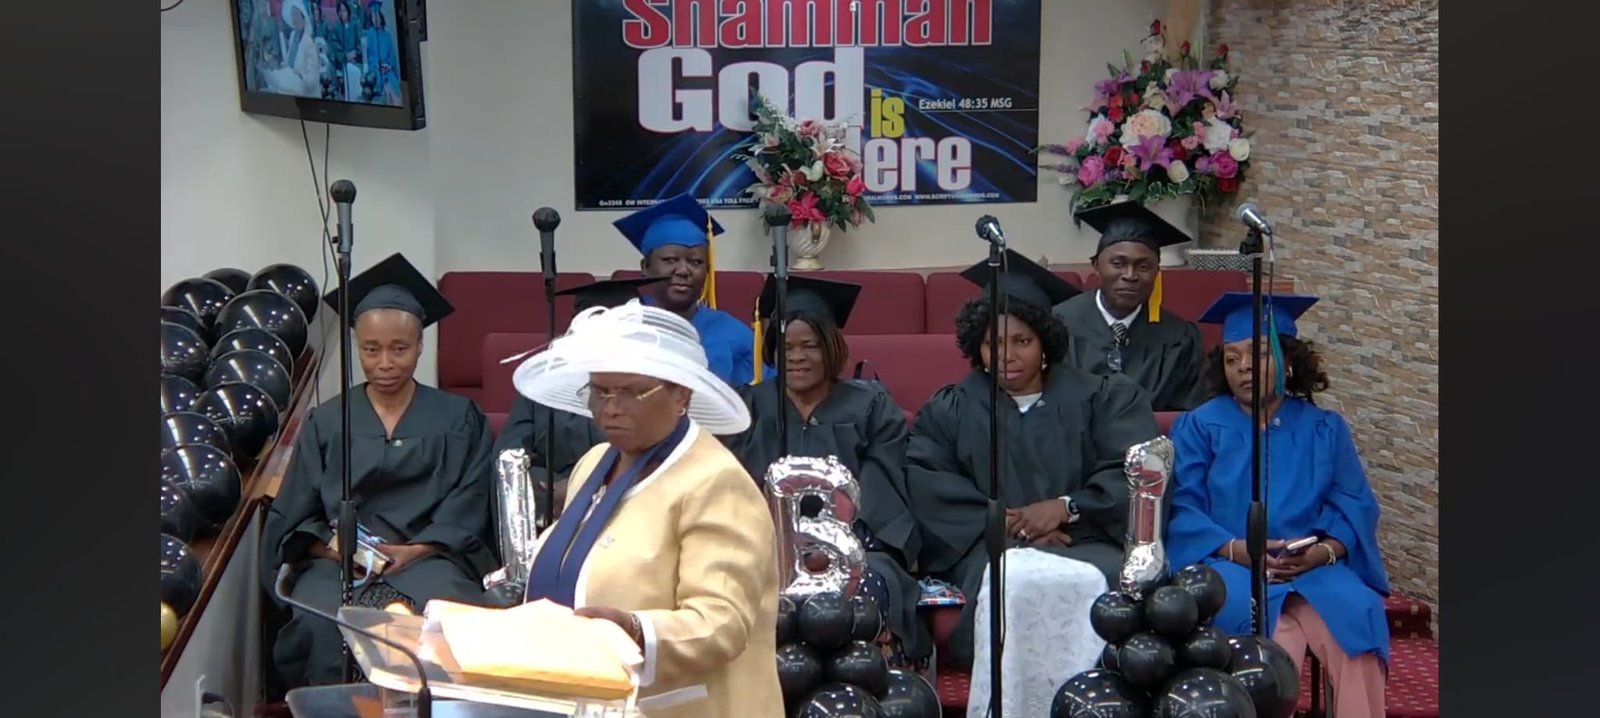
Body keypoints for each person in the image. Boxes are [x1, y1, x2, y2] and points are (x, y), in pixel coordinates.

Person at [511, 301, 781, 717]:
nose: (610, 408)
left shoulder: (717, 483)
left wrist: (636, 630)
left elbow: (722, 623)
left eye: (631, 392)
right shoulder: (594, 463)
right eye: (600, 391)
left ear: (681, 394)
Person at [905, 249, 1162, 668]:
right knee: (1009, 578)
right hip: (991, 545)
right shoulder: (952, 408)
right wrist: (1012, 526)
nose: (1006, 355)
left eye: (1021, 341)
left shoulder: (1102, 398)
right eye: (993, 343)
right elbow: (929, 481)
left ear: (1045, 343)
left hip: (1085, 539)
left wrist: (1065, 508)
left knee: (1115, 584)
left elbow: (1132, 471)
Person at [262, 253, 497, 689]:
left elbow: (472, 499)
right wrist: (335, 550)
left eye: (399, 349)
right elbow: (297, 512)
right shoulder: (328, 421)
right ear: (357, 346)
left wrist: (419, 549)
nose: (385, 362)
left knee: (447, 619)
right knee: (319, 623)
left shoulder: (458, 418)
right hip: (337, 563)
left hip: (430, 557)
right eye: (371, 350)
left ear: (420, 346)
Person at [1166, 292, 1391, 718]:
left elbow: (1354, 503)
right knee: (1272, 632)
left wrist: (1323, 552)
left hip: (1310, 565)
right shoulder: (1200, 426)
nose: (1243, 367)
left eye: (1258, 354)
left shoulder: (1325, 428)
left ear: (1288, 363)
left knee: (1357, 616)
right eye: (1232, 358)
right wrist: (1238, 550)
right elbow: (1182, 507)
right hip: (1227, 563)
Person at [723, 275, 931, 666]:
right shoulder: (750, 407)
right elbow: (735, 486)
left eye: (810, 346)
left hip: (858, 551)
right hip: (767, 549)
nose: (797, 357)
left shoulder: (870, 406)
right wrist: (786, 549)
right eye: (786, 347)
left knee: (865, 593)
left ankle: (866, 681)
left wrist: (834, 550)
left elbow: (883, 488)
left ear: (831, 348)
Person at [494, 276, 667, 519]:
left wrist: (581, 487)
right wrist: (553, 491)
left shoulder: (654, 388)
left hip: (632, 516)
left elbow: (662, 462)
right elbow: (509, 457)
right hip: (551, 513)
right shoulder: (541, 387)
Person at [1056, 201, 1209, 412]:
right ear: (1096, 266)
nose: (1130, 275)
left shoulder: (1179, 337)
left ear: (1157, 272)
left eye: (1143, 266)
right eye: (1118, 264)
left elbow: (1188, 413)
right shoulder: (1059, 324)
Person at [612, 193, 763, 387]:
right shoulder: (621, 327)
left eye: (696, 262)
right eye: (670, 260)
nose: (683, 270)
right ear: (645, 267)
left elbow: (760, 396)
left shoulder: (735, 335)